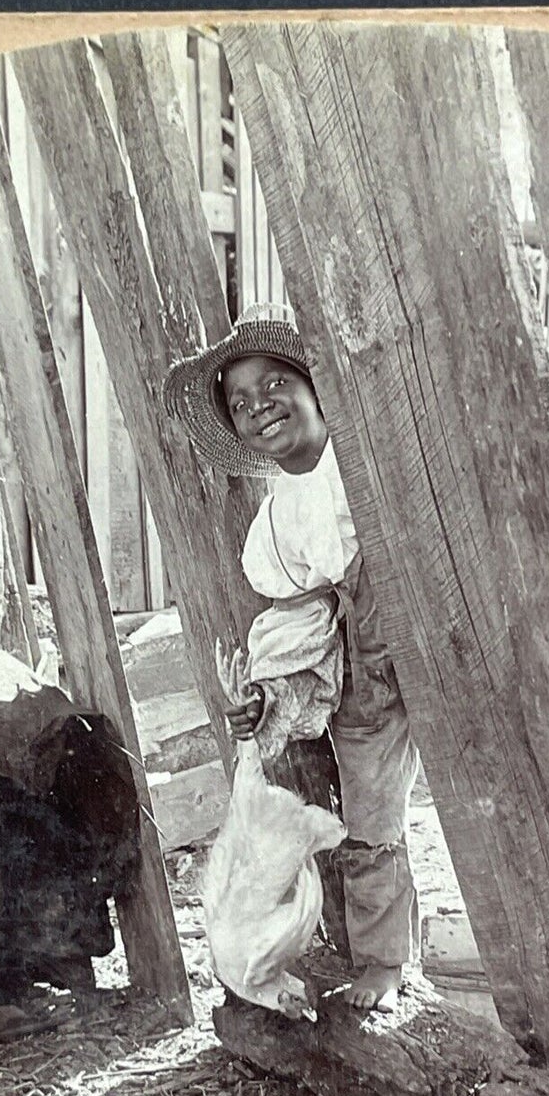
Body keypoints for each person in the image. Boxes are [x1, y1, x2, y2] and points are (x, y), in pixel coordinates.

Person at [163, 304, 421, 1011]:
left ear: (314, 385)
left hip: (398, 630)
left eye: (274, 383)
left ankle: (408, 959)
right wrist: (267, 692)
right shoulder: (276, 518)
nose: (259, 406)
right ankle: (349, 956)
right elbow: (292, 618)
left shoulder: (357, 464)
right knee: (340, 814)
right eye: (240, 403)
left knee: (413, 799)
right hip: (338, 659)